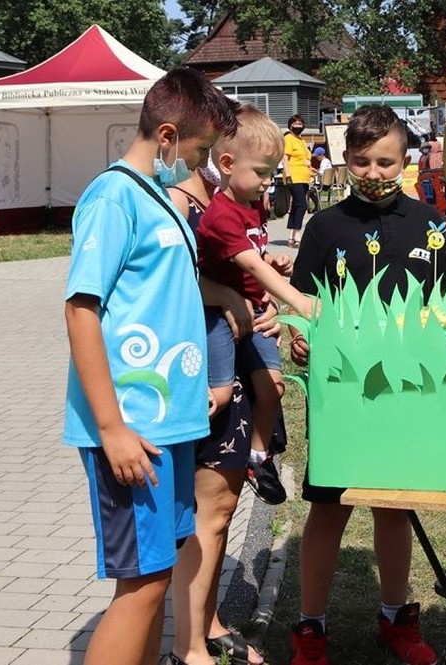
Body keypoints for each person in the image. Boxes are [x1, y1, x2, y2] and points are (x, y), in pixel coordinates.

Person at [62, 66, 238, 665]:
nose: (205, 164)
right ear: (167, 136)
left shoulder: (157, 197)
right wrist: (111, 428)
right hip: (134, 431)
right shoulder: (113, 197)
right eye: (200, 150)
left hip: (169, 426)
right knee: (141, 587)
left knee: (152, 582)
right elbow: (82, 309)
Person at [288, 104, 446, 665]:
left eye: (386, 162)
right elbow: (302, 307)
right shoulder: (323, 226)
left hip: (403, 393)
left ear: (405, 161)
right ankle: (310, 628)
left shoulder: (429, 224)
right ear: (345, 160)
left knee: (392, 506)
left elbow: (442, 308)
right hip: (340, 397)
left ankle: (395, 617)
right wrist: (301, 339)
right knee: (329, 509)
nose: (374, 173)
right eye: (362, 162)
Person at [168, 164, 271, 665]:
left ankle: (207, 626)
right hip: (205, 377)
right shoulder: (172, 202)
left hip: (237, 370)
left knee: (222, 513)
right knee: (206, 517)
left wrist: (259, 305)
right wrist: (230, 296)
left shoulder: (222, 204)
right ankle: (188, 648)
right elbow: (173, 277)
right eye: (205, 147)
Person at [196, 106, 313, 506]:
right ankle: (190, 453)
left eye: (272, 172)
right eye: (262, 172)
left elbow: (254, 257)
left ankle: (258, 457)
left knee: (274, 388)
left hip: (256, 312)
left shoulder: (252, 204)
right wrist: (297, 299)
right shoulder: (219, 215)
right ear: (227, 164)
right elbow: (246, 262)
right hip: (219, 315)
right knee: (222, 391)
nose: (268, 182)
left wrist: (273, 261)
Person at [283, 114, 311, 247]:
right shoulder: (289, 138)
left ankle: (291, 236)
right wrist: (287, 174)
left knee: (295, 206)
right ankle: (298, 235)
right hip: (294, 176)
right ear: (290, 125)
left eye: (300, 123)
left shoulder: (302, 141)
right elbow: (285, 157)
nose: (298, 125)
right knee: (302, 205)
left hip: (304, 176)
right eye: (295, 123)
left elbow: (306, 158)